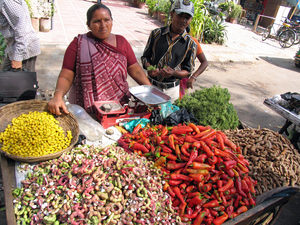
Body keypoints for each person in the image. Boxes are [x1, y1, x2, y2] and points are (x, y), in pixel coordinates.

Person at [48, 3, 151, 115]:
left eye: (107, 20)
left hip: (120, 106)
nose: (103, 25)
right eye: (97, 21)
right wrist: (58, 96)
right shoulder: (78, 44)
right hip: (87, 111)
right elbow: (66, 76)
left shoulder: (122, 42)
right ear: (88, 24)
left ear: (112, 21)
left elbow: (136, 71)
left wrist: (152, 92)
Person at [141, 0, 197, 103]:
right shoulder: (156, 34)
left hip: (171, 91)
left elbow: (188, 71)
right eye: (180, 16)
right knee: (147, 115)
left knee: (169, 118)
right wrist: (149, 67)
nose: (183, 20)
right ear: (172, 14)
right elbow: (145, 57)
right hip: (151, 86)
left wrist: (174, 73)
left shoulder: (190, 43)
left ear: (190, 19)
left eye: (187, 18)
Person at [0, 0, 40, 71]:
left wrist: (18, 57)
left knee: (22, 80)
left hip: (24, 49)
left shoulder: (7, 2)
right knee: (4, 78)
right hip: (12, 49)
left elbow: (21, 28)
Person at [179, 25, 208, 99]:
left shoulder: (193, 42)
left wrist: (193, 77)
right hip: (165, 77)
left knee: (177, 102)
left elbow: (204, 62)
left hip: (182, 78)